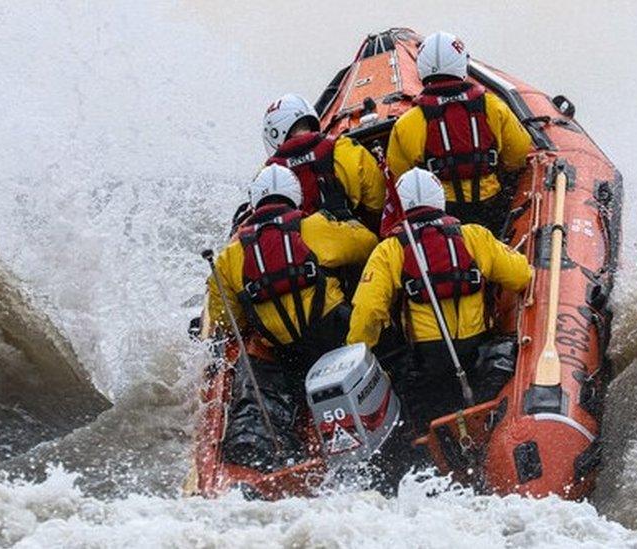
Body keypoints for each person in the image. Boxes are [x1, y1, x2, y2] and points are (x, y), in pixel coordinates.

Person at [207, 164, 378, 471]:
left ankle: (276, 454)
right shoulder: (316, 228)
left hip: (287, 360)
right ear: (295, 198)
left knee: (254, 361)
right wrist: (344, 217)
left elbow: (224, 320)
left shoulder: (229, 258)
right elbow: (368, 245)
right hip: (337, 343)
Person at [347, 168, 532, 428]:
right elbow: (521, 275)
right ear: (440, 198)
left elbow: (367, 310)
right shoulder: (474, 236)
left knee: (418, 408)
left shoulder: (389, 250)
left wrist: (359, 353)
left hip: (428, 361)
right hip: (477, 349)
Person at [385, 31, 533, 231]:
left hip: (442, 211)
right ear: (462, 64)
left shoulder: (407, 124)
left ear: (422, 69)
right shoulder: (493, 107)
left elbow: (401, 177)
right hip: (491, 203)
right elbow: (518, 152)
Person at [262, 93, 386, 228]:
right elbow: (378, 202)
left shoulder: (269, 176)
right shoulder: (345, 149)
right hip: (349, 238)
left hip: (298, 244)